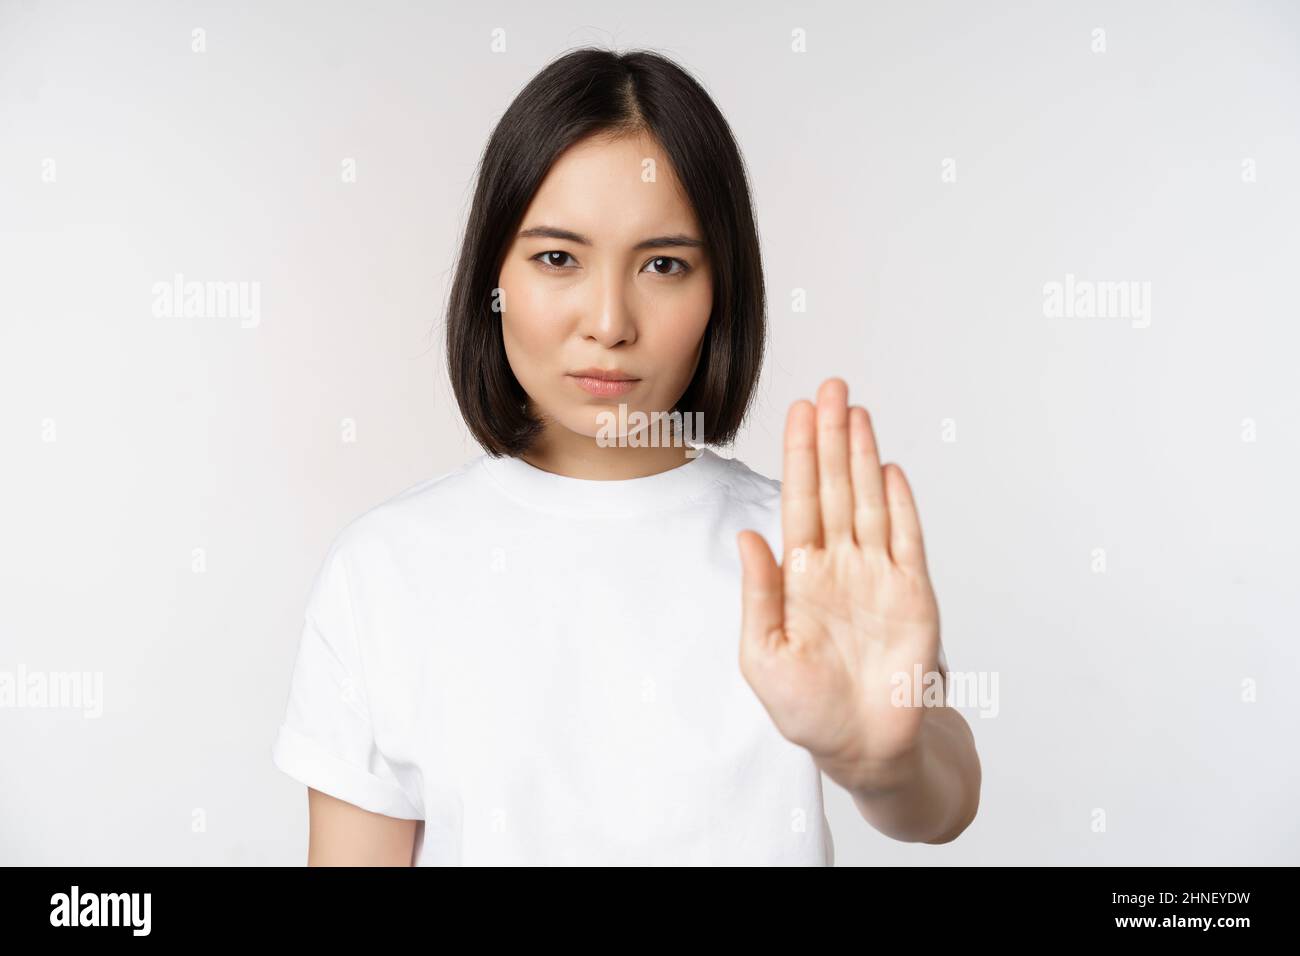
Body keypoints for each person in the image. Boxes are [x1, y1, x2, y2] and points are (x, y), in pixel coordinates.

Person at [271, 46, 980, 866]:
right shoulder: (384, 571)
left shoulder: (802, 554)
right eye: (558, 258)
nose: (610, 320)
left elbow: (943, 795)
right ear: (491, 276)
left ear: (722, 292)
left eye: (664, 264)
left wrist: (882, 761)